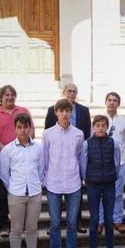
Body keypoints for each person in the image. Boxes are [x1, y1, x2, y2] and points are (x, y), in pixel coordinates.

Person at [0, 113, 47, 248]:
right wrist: (12, 189)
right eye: (19, 127)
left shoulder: (39, 148)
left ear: (30, 128)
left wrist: (37, 184)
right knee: (16, 230)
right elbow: (4, 174)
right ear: (15, 128)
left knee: (32, 229)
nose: (23, 130)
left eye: (26, 127)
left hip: (34, 193)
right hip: (16, 194)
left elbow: (42, 169)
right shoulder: (8, 150)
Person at [0, 85, 34, 238]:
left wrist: (21, 147)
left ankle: (23, 224)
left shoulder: (23, 111)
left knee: (23, 190)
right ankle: (4, 224)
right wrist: (8, 150)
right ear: (1, 97)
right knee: (3, 192)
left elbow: (31, 130)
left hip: (22, 157)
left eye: (12, 94)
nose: (10, 97)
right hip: (2, 157)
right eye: (7, 95)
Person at [41, 99, 85, 248]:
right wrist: (44, 180)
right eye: (61, 110)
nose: (65, 114)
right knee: (55, 223)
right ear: (56, 112)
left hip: (73, 183)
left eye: (68, 110)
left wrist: (82, 177)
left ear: (71, 112)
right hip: (54, 183)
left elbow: (80, 157)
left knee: (72, 223)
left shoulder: (79, 134)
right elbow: (44, 158)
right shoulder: (48, 134)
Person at [44, 83, 90, 233]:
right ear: (64, 92)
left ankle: (77, 222)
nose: (71, 93)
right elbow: (47, 137)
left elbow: (87, 135)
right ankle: (54, 226)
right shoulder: (53, 110)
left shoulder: (84, 110)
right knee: (55, 213)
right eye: (69, 91)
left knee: (75, 196)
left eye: (74, 91)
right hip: (56, 164)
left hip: (74, 155)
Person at [80, 115, 123, 248]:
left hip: (109, 183)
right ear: (93, 127)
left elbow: (117, 162)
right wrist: (87, 179)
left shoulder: (114, 142)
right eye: (97, 125)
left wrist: (113, 176)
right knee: (94, 219)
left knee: (109, 218)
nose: (100, 128)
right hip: (93, 184)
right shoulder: (86, 144)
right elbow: (83, 164)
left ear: (107, 127)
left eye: (103, 125)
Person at [101, 92, 125, 235]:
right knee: (101, 193)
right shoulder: (99, 119)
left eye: (115, 100)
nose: (112, 103)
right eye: (109, 100)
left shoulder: (124, 122)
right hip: (103, 161)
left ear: (118, 103)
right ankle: (100, 221)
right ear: (105, 102)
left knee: (117, 194)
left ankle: (117, 220)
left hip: (120, 162)